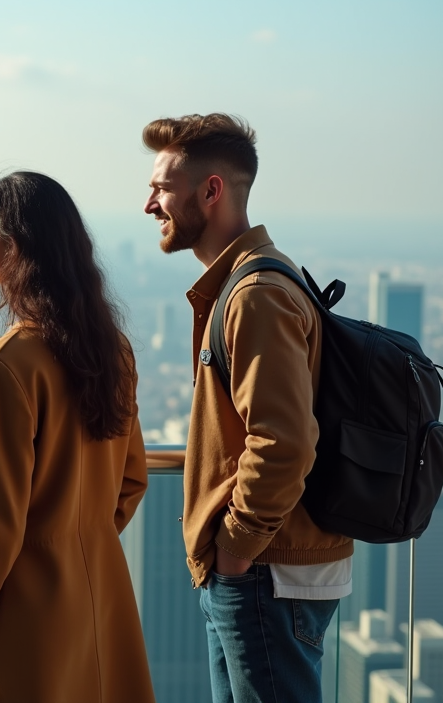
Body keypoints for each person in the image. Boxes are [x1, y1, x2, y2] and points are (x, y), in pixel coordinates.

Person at [0, 172, 155, 703]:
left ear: (15, 244)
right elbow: (133, 479)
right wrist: (78, 539)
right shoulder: (112, 350)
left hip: (26, 616)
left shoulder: (6, 366)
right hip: (103, 596)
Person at [142, 114, 353, 702]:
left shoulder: (255, 295)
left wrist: (233, 551)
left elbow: (283, 444)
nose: (148, 204)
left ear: (210, 191)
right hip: (264, 566)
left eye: (160, 187)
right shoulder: (246, 284)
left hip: (265, 569)